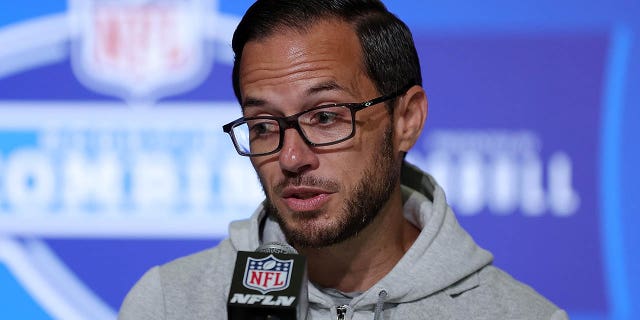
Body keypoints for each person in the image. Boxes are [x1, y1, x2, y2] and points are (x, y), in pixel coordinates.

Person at [119, 0, 568, 319]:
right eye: (263, 126)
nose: (291, 157)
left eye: (326, 117)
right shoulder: (168, 303)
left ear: (407, 119)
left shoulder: (518, 314)